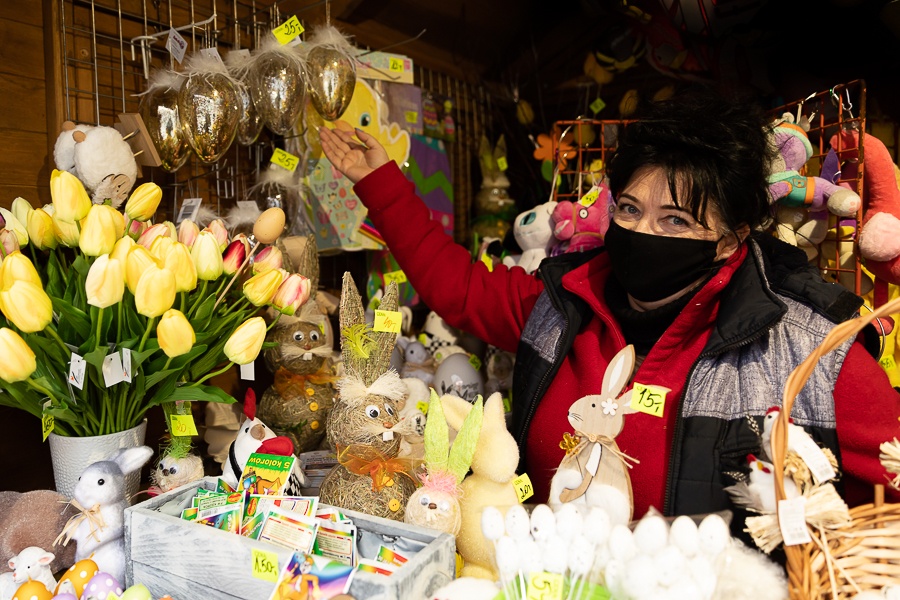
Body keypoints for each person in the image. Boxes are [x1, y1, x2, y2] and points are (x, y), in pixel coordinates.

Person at [318, 91, 900, 532]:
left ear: (731, 239)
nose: (644, 233)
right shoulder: (565, 302)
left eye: (676, 220)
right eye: (628, 208)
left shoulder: (811, 352)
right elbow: (459, 291)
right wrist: (381, 182)